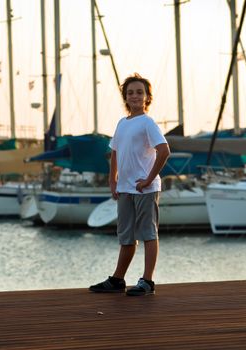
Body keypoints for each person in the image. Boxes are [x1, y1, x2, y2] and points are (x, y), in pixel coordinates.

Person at [89, 73, 170, 296]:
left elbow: (164, 151)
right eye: (130, 92)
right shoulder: (122, 123)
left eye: (139, 92)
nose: (135, 96)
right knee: (126, 236)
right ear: (125, 97)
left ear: (147, 97)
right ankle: (117, 279)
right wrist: (112, 179)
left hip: (145, 188)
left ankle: (147, 281)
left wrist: (149, 178)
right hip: (125, 188)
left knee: (148, 234)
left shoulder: (148, 122)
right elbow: (114, 152)